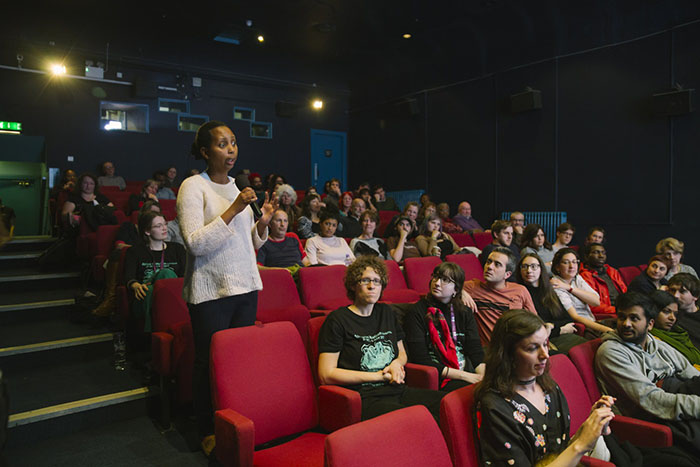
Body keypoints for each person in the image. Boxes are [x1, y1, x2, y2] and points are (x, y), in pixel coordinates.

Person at [177, 120, 276, 454]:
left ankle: (235, 424)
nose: (231, 149)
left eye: (233, 142)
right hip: (210, 292)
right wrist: (235, 209)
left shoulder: (239, 187)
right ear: (206, 151)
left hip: (245, 288)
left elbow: (248, 245)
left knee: (238, 363)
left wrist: (261, 225)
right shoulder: (193, 187)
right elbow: (194, 244)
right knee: (209, 362)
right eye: (222, 144)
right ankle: (206, 427)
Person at [476, 309, 617, 466]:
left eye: (545, 344)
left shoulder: (548, 387)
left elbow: (562, 452)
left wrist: (591, 426)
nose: (545, 355)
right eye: (532, 348)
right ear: (508, 354)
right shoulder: (495, 406)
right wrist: (581, 445)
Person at [317, 256, 445, 421]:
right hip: (365, 397)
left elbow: (402, 354)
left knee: (447, 405)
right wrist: (379, 376)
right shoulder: (338, 319)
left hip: (397, 389)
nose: (372, 286)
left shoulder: (387, 312)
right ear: (353, 285)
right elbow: (326, 374)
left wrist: (396, 364)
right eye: (365, 280)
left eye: (377, 281)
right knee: (418, 419)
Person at [595, 291, 700, 458]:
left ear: (650, 324)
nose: (626, 324)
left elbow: (689, 371)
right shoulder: (611, 352)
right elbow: (652, 400)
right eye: (622, 317)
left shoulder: (654, 342)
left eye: (634, 318)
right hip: (652, 416)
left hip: (678, 399)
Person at [404, 262, 484, 391]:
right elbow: (420, 358)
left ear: (456, 289)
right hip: (442, 376)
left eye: (445, 280)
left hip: (465, 370)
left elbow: (475, 350)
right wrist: (467, 377)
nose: (436, 283)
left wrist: (483, 376)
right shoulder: (417, 311)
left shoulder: (464, 312)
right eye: (436, 277)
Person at [124, 211, 186, 332]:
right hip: (143, 295)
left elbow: (184, 277)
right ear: (147, 231)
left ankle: (151, 334)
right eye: (158, 226)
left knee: (166, 273)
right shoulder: (135, 252)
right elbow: (128, 277)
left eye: (165, 224)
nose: (164, 228)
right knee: (151, 289)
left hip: (173, 295)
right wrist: (136, 285)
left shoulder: (177, 249)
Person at [463, 247, 537, 345]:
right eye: (488, 262)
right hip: (488, 350)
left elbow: (535, 323)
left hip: (515, 347)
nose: (489, 267)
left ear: (507, 274)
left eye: (497, 264)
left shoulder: (520, 291)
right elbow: (447, 283)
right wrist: (461, 292)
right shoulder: (471, 287)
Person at [516, 253, 588, 353]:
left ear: (541, 269)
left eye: (533, 266)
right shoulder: (519, 293)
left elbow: (567, 319)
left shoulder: (548, 290)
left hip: (560, 336)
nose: (529, 271)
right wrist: (560, 329)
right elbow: (534, 327)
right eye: (524, 266)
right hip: (543, 341)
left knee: (589, 349)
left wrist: (552, 326)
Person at [551, 248, 612, 337]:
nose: (572, 266)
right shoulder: (556, 284)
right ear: (557, 267)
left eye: (574, 262)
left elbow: (596, 302)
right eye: (566, 262)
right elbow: (575, 317)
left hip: (592, 322)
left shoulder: (577, 278)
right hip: (582, 328)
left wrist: (570, 288)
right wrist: (606, 330)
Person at [648, 289, 700, 368]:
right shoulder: (650, 339)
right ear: (652, 311)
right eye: (666, 311)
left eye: (675, 314)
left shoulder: (680, 332)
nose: (672, 318)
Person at [579, 243, 627, 315]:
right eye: (596, 252)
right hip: (606, 313)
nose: (601, 256)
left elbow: (625, 291)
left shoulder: (612, 271)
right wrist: (618, 310)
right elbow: (593, 305)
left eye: (603, 253)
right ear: (586, 256)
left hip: (621, 309)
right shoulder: (585, 276)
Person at [668, 274, 700, 349]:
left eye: (682, 291)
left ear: (695, 296)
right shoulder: (670, 318)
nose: (676, 295)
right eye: (672, 290)